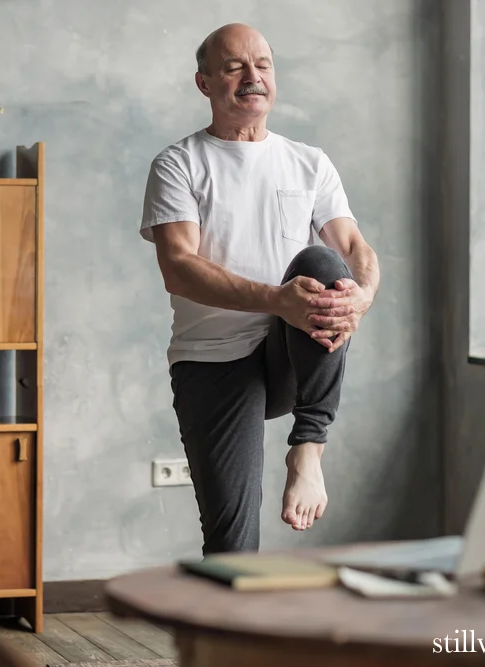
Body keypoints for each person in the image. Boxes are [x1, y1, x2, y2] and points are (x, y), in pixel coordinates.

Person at [139, 22, 380, 555]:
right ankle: (226, 637)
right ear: (205, 83)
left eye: (263, 65)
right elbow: (178, 267)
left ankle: (308, 449)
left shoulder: (309, 162)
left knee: (324, 260)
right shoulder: (178, 164)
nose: (253, 77)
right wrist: (277, 300)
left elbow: (356, 247)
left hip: (289, 353)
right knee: (230, 542)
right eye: (234, 67)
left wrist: (362, 294)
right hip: (212, 359)